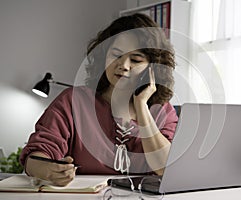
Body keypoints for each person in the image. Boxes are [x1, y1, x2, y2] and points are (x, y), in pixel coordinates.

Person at [20, 13, 178, 186]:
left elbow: (165, 167)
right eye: (116, 55)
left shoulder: (163, 111)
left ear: (152, 68)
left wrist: (141, 106)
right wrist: (49, 171)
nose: (123, 66)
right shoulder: (73, 101)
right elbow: (35, 156)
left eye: (135, 60)